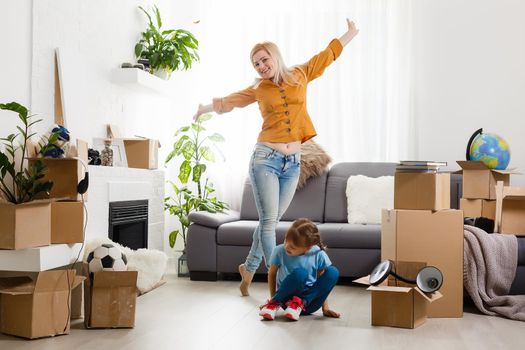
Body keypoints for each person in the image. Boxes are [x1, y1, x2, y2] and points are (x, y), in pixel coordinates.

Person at [193, 19, 359, 296]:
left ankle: (248, 267)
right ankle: (282, 283)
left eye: (263, 60)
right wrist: (205, 108)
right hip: (265, 159)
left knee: (269, 221)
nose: (261, 66)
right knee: (269, 222)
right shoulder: (259, 89)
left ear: (274, 56)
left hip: (293, 164)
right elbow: (231, 101)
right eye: (256, 64)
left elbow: (327, 55)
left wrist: (350, 34)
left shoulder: (301, 73)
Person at [259, 218, 340, 321]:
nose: (287, 246)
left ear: (308, 248)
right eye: (286, 240)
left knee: (333, 272)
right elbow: (272, 274)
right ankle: (273, 304)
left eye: (292, 247)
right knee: (300, 273)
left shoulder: (318, 254)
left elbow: (321, 284)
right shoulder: (279, 251)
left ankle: (300, 303)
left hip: (309, 304)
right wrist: (273, 299)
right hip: (285, 300)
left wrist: (325, 308)